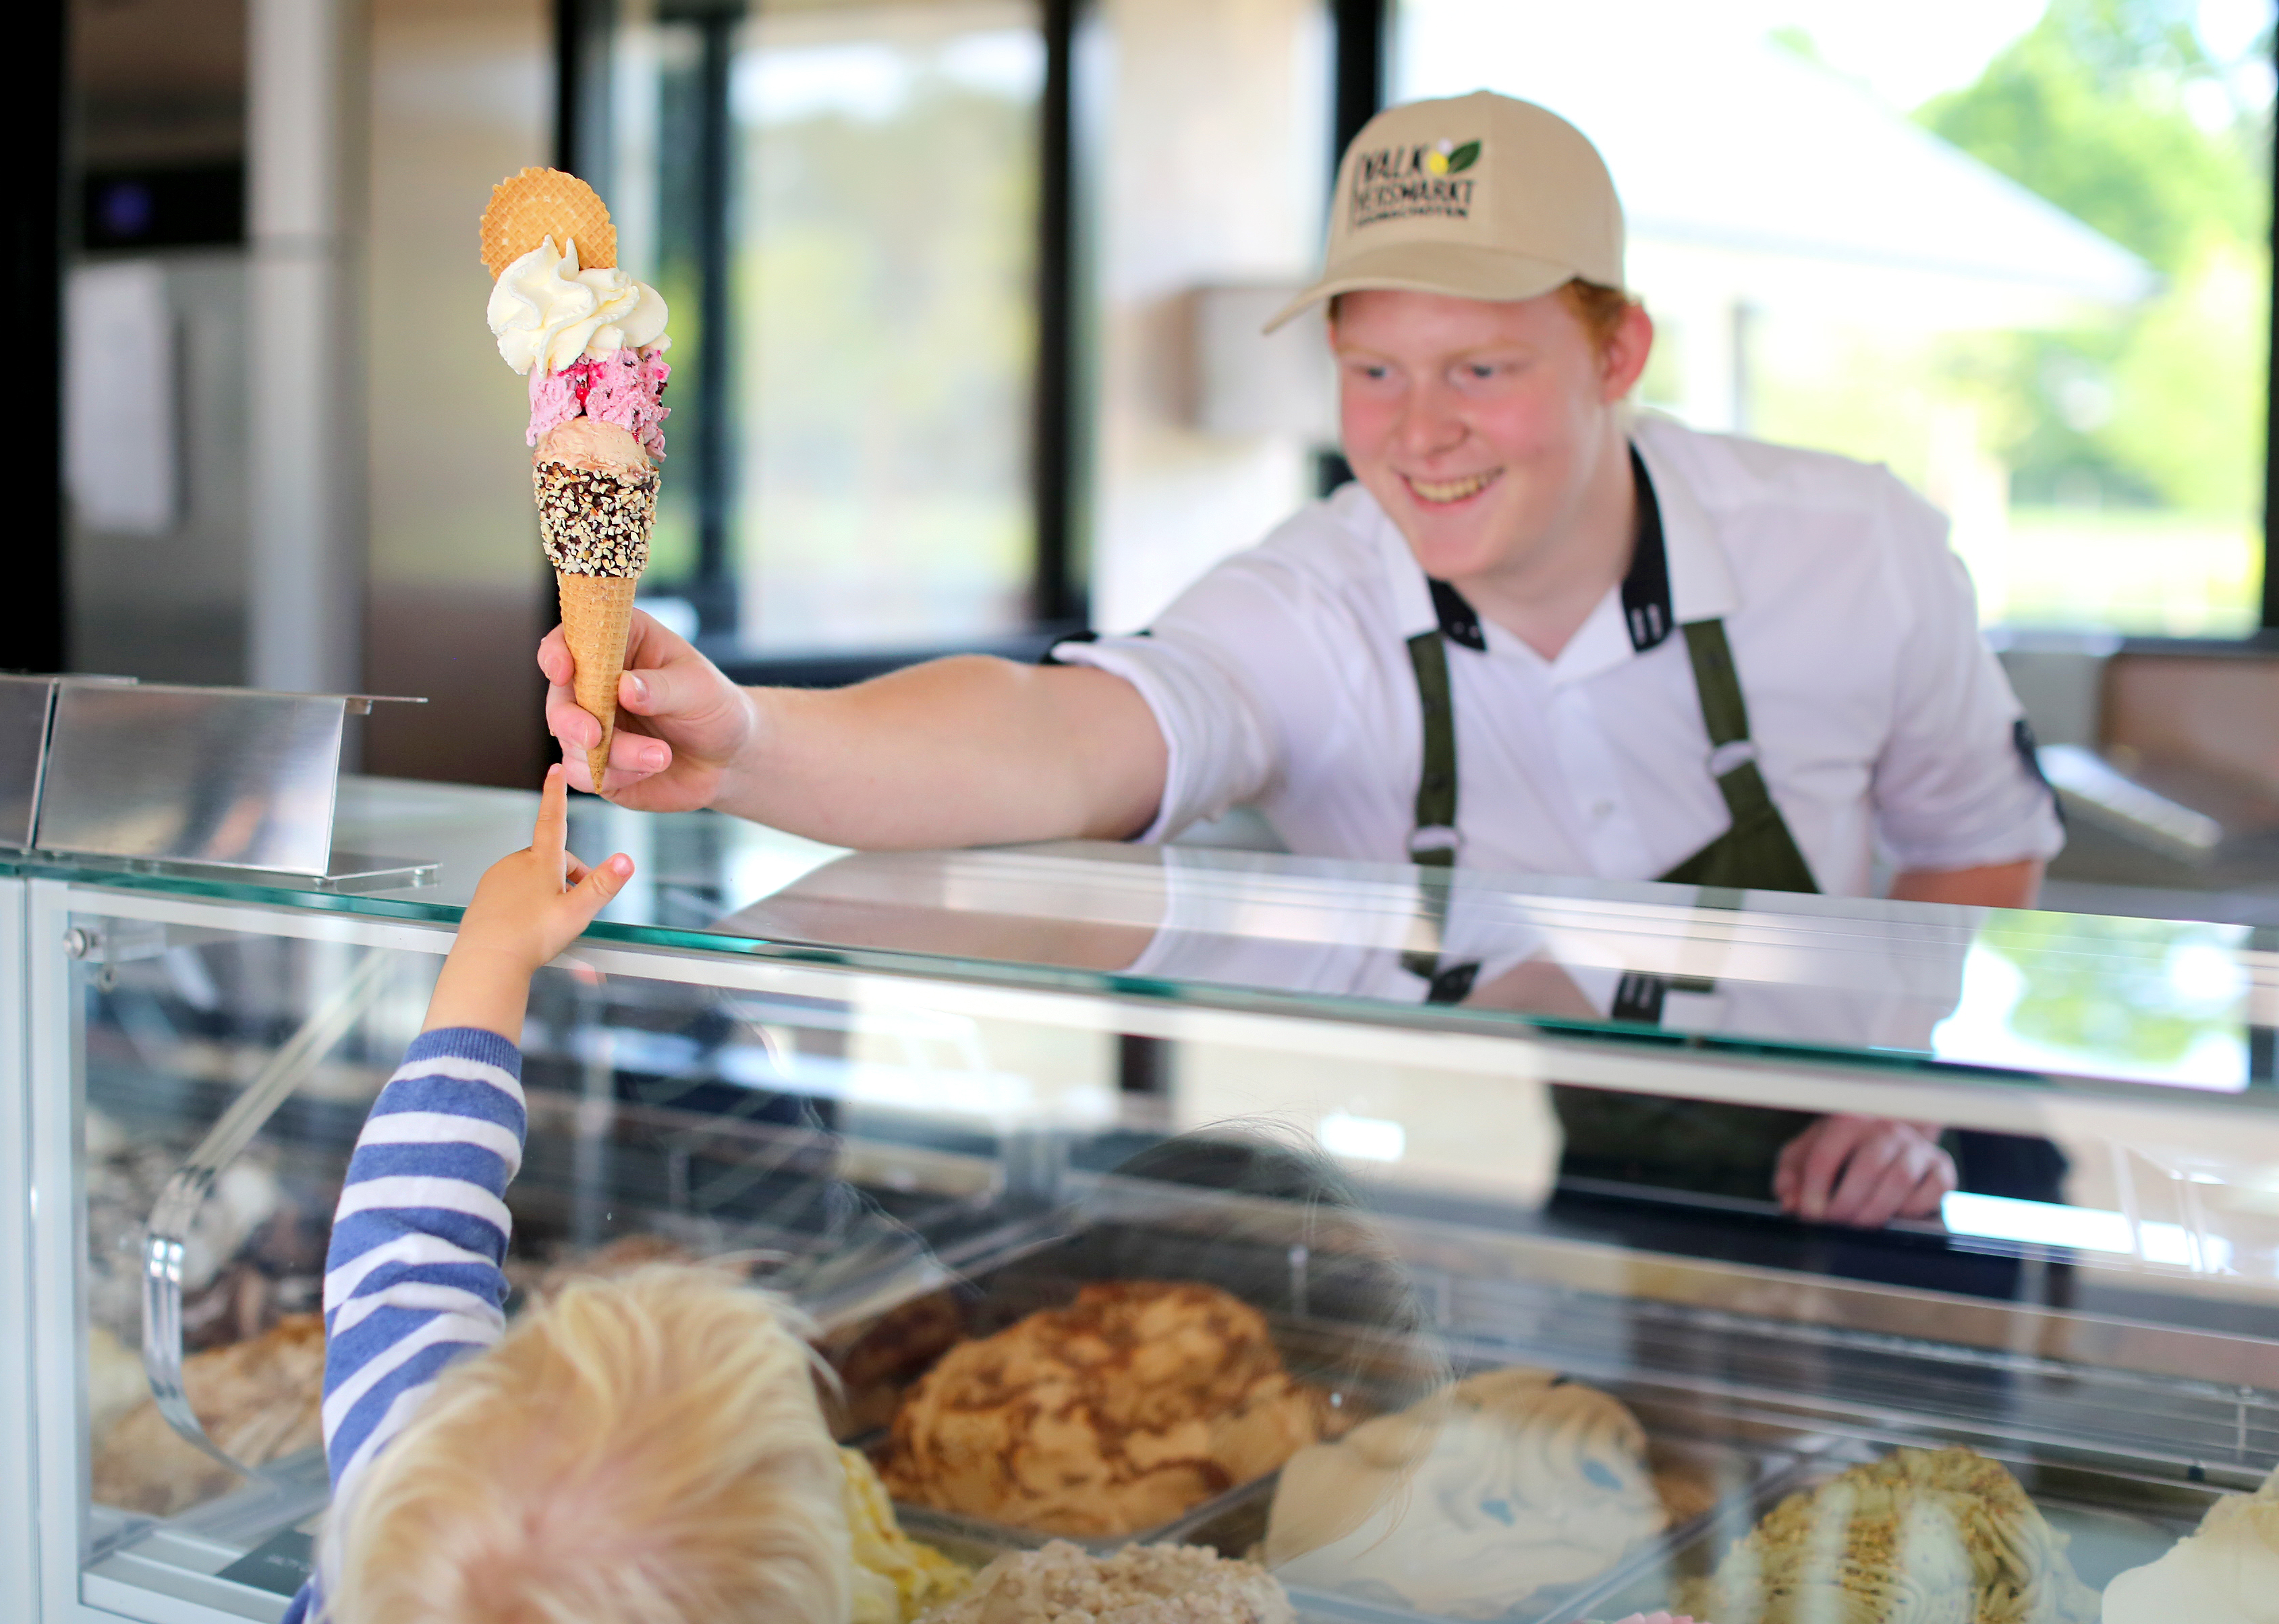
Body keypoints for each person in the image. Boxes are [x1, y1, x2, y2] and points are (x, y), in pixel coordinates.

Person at [538, 92, 2062, 1229]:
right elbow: (1060, 735)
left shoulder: (1849, 549)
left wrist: (1896, 1087)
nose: (1420, 432)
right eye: (1372, 368)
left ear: (1617, 354)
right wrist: (753, 739)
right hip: (1507, 1211)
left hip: (1864, 1185)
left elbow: (1976, 847)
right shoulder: (1316, 600)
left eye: (1480, 367)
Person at [283, 775, 862, 1624]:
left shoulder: (393, 1515)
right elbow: (406, 1239)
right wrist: (498, 953)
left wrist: (493, 950)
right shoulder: (400, 1492)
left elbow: (406, 1237)